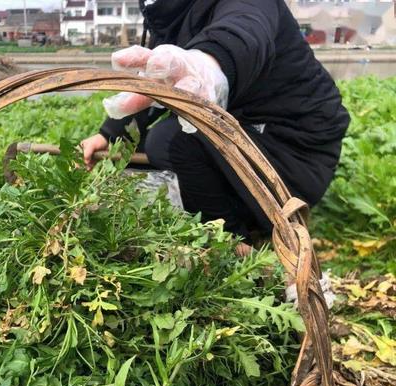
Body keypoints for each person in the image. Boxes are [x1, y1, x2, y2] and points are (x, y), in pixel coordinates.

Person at [80, 0, 350, 243]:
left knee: (170, 139)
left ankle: (233, 241)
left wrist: (210, 64)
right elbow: (154, 84)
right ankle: (229, 211)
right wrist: (108, 134)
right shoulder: (170, 15)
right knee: (140, 156)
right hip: (250, 137)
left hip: (296, 152)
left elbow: (244, 29)